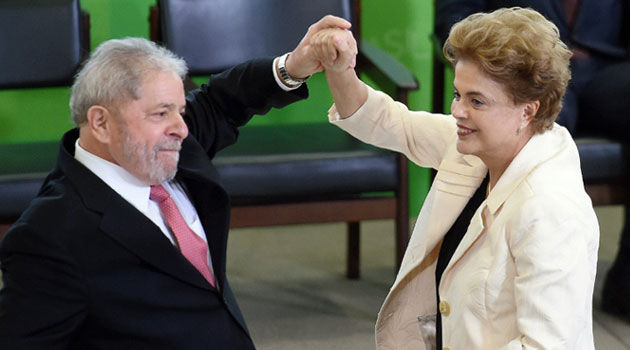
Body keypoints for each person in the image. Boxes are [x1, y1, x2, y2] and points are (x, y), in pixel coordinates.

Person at [0, 15, 351, 349]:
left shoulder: (160, 147)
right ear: (101, 123)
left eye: (180, 111)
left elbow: (222, 101)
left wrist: (294, 66)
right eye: (160, 113)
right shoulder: (48, 238)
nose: (181, 129)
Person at [312, 7, 599, 349]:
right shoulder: (477, 144)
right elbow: (389, 122)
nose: (458, 111)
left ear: (528, 109)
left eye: (477, 101)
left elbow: (546, 345)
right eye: (457, 95)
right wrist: (339, 68)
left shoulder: (550, 210)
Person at [437, 1, 630, 320]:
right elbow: (454, 11)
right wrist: (491, 54)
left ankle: (625, 284)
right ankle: (475, 290)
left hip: (604, 67)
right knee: (517, 125)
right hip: (521, 73)